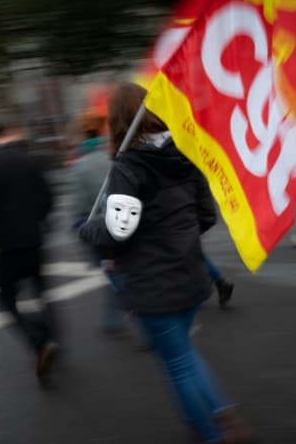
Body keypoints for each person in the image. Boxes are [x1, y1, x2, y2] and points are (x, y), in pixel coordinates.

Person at [79, 83, 252, 443]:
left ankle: (211, 435)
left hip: (153, 283)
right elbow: (206, 215)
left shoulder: (129, 165)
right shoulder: (185, 154)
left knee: (177, 365)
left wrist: (88, 229)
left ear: (117, 121)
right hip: (189, 275)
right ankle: (223, 415)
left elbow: (117, 232)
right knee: (185, 354)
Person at [0, 112, 58, 381]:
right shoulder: (27, 159)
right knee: (41, 292)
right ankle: (53, 339)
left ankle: (38, 338)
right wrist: (36, 222)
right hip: (34, 239)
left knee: (5, 300)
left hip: (7, 245)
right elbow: (47, 199)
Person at [68, 112, 126, 333]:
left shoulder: (79, 167)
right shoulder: (113, 156)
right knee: (117, 271)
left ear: (82, 135)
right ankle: (112, 320)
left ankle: (142, 321)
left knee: (114, 274)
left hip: (99, 230)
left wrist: (78, 229)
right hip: (122, 222)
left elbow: (77, 207)